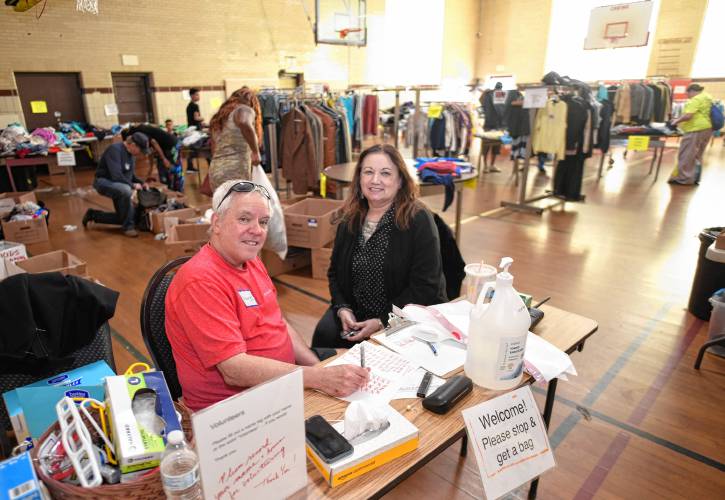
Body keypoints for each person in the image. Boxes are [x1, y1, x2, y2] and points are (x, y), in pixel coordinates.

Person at [165, 179, 369, 412]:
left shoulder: (250, 261)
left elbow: (277, 323)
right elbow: (234, 370)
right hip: (237, 408)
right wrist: (318, 378)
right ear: (217, 223)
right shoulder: (199, 281)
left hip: (281, 381)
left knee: (355, 364)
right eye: (244, 219)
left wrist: (318, 367)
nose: (257, 230)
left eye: (263, 222)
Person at [312, 144, 448, 349]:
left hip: (404, 316)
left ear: (400, 180)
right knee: (323, 338)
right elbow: (334, 273)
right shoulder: (350, 218)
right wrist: (342, 308)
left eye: (385, 173)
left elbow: (426, 288)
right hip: (355, 313)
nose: (375, 180)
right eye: (368, 172)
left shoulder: (418, 219)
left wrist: (382, 321)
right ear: (359, 179)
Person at [82, 133, 150, 237]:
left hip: (118, 184)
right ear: (133, 145)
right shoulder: (115, 150)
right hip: (103, 182)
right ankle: (128, 227)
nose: (141, 153)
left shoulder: (131, 155)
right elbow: (116, 175)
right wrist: (133, 185)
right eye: (140, 150)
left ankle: (93, 215)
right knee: (126, 190)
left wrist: (141, 183)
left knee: (128, 216)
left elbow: (130, 175)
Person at [207, 87, 262, 191]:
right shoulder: (244, 109)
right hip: (235, 171)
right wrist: (255, 152)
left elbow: (214, 150)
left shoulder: (219, 118)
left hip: (215, 170)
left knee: (223, 205)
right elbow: (243, 122)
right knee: (239, 205)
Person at [668, 83, 713, 186]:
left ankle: (684, 179)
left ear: (692, 91)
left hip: (695, 129)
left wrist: (676, 121)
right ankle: (695, 177)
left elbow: (688, 116)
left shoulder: (696, 99)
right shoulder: (707, 97)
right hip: (707, 128)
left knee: (687, 154)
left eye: (687, 94)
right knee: (698, 154)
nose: (687, 96)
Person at [185, 88, 205, 172]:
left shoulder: (189, 106)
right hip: (195, 130)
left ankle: (190, 166)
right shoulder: (195, 106)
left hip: (191, 129)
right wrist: (202, 118)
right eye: (197, 94)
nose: (198, 96)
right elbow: (196, 118)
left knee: (193, 149)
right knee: (197, 147)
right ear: (192, 95)